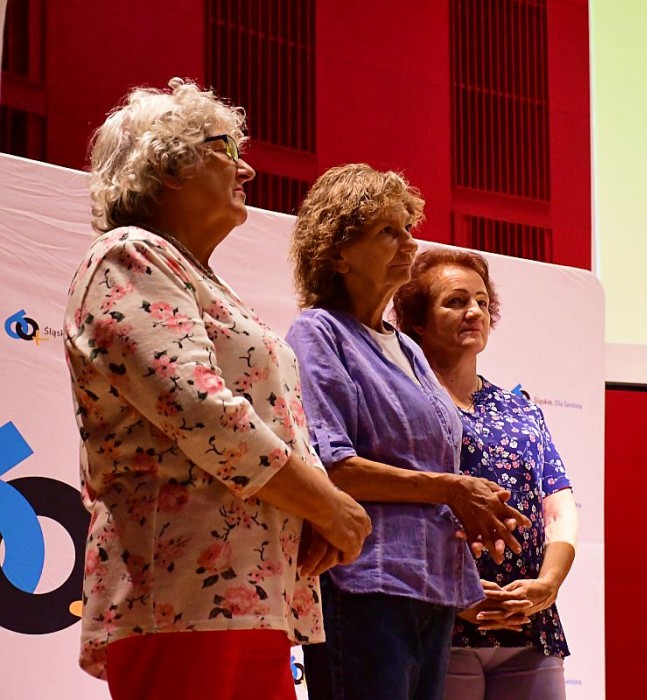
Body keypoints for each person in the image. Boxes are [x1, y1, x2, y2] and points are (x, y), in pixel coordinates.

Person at [64, 78, 372, 699]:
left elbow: (271, 417)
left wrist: (311, 511)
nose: (247, 168)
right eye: (225, 148)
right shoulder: (130, 255)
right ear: (166, 165)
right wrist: (326, 504)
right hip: (177, 592)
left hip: (250, 591)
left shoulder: (198, 277)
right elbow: (200, 408)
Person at [285, 164, 532, 700]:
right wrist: (451, 490)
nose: (410, 243)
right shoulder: (319, 333)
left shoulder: (409, 350)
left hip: (431, 591)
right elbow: (331, 468)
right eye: (387, 232)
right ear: (338, 253)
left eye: (406, 228)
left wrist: (473, 520)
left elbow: (433, 467)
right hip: (364, 584)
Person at [392, 249, 578, 700]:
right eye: (455, 302)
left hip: (529, 627)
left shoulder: (521, 409)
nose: (474, 312)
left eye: (481, 301)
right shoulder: (403, 401)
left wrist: (547, 586)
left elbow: (559, 507)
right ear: (417, 320)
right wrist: (460, 595)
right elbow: (398, 515)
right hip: (439, 622)